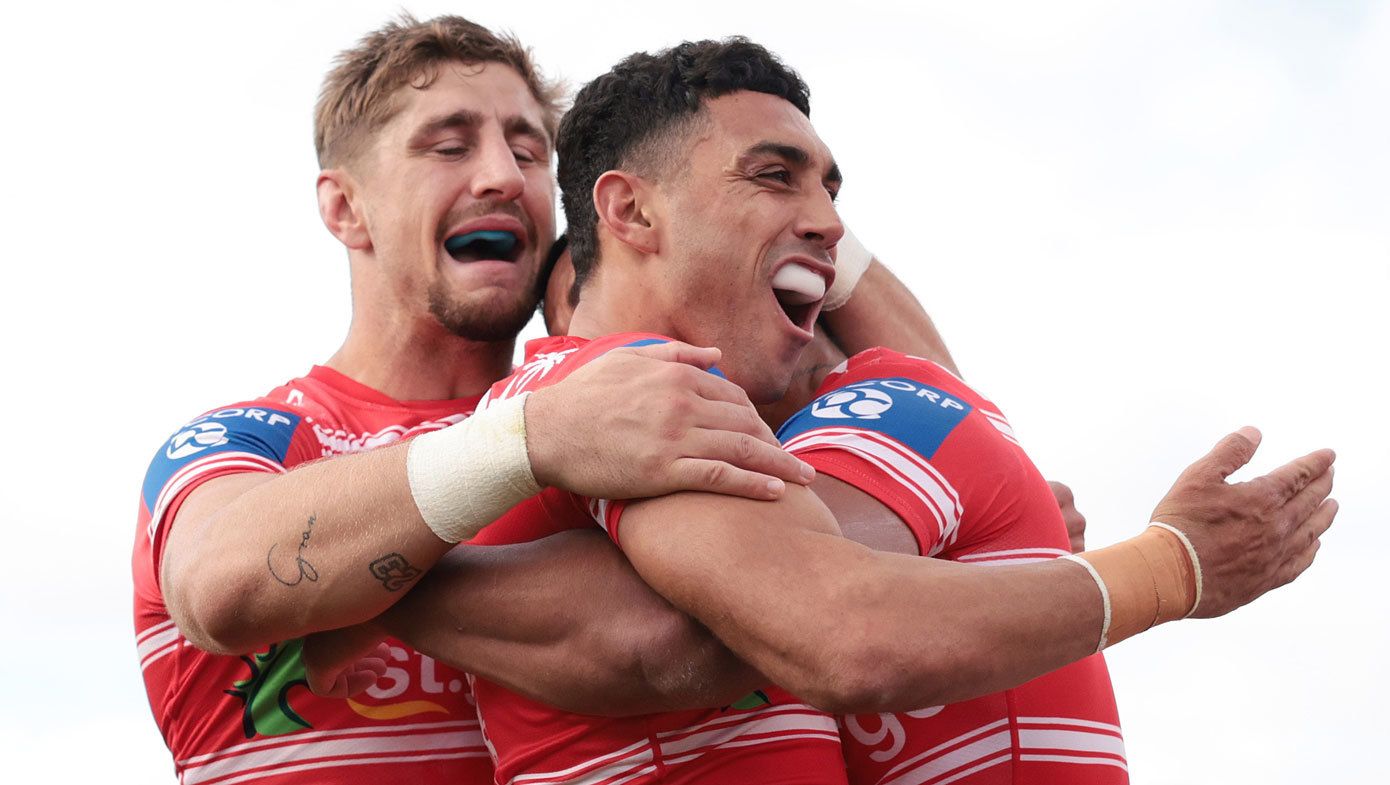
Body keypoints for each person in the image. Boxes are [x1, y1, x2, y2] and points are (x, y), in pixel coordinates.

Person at [348, 38, 1334, 785]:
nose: (827, 219)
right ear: (631, 214)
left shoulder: (877, 404)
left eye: (831, 189)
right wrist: (1169, 567)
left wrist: (365, 586)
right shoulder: (603, 395)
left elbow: (768, 616)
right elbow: (822, 623)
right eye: (774, 175)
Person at [132, 16, 832, 785]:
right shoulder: (258, 438)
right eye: (449, 145)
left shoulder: (637, 407)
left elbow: (682, 632)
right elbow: (219, 585)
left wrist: (781, 194)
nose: (505, 176)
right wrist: (526, 440)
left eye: (531, 151)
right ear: (344, 208)